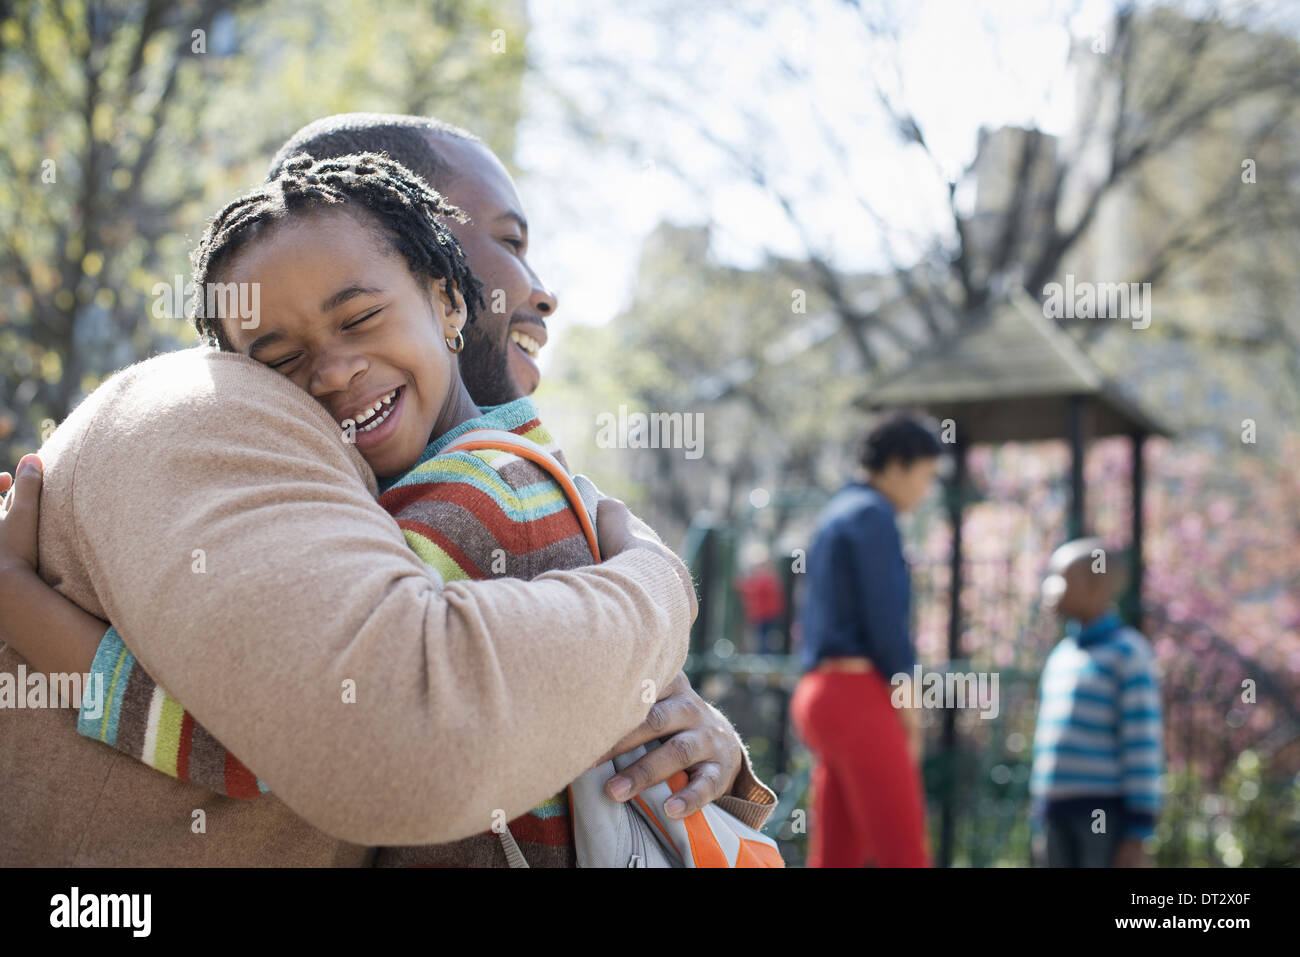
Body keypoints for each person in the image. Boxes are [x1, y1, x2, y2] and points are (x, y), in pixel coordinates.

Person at [0, 119, 773, 866]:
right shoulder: (509, 481)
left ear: (445, 295)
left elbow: (284, 750)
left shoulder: (481, 490)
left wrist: (45, 630)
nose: (333, 370)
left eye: (361, 317)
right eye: (505, 243)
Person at [790, 413, 944, 867]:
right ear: (897, 465)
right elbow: (885, 619)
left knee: (837, 853)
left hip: (819, 693)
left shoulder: (836, 512)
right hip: (857, 695)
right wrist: (909, 703)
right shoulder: (873, 515)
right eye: (926, 475)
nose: (926, 489)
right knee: (903, 850)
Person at [1030, 538, 1164, 868]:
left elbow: (1142, 744)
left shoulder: (1128, 654)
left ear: (1095, 586)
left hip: (1102, 813)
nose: (1049, 586)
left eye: (1060, 577)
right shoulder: (1062, 656)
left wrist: (1138, 831)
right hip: (1055, 811)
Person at [733, 545, 786, 655]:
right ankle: (764, 655)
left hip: (764, 614)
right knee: (763, 636)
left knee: (762, 637)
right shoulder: (770, 577)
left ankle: (763, 657)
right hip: (765, 613)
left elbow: (752, 589)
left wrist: (739, 585)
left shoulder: (765, 577)